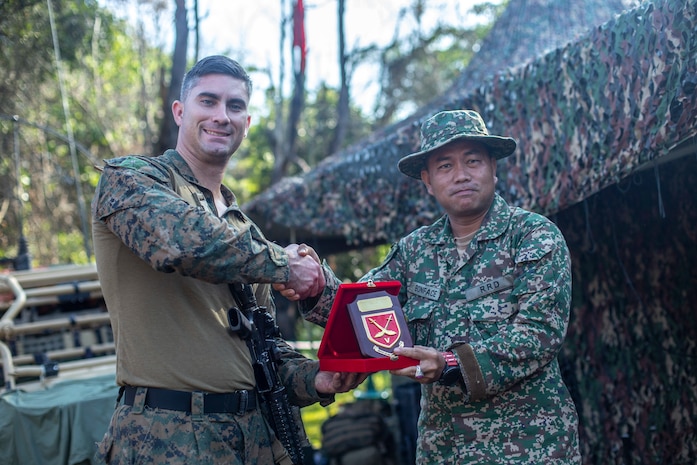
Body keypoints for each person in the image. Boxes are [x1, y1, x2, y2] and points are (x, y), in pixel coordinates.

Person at [92, 55, 365, 465]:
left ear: (247, 123)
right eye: (208, 101)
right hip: (166, 439)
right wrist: (286, 265)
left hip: (252, 439)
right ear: (180, 112)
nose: (222, 116)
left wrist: (317, 379)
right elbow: (180, 242)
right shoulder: (130, 179)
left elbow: (263, 349)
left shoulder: (243, 230)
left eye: (234, 106)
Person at [278, 109, 582, 463]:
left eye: (473, 161)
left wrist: (452, 362)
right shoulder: (414, 250)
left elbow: (538, 332)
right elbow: (359, 308)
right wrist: (314, 283)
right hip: (444, 449)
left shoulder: (533, 236)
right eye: (445, 166)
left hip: (529, 447)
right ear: (428, 180)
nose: (461, 176)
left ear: (493, 167)